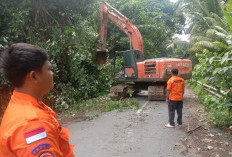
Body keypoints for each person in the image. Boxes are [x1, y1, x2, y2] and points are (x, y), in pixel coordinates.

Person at [0, 43, 75, 157]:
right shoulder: (32, 123)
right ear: (34, 76)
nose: (52, 73)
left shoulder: (19, 104)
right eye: (49, 69)